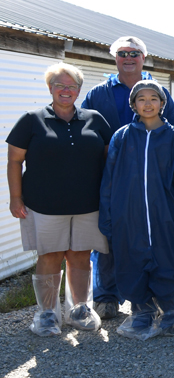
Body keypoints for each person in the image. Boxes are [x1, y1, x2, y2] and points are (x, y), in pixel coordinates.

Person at [7, 63, 112, 336]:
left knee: (80, 256)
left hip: (88, 205)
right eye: (59, 85)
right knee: (50, 256)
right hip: (44, 206)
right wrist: (15, 197)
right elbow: (14, 161)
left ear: (79, 90)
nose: (66, 91)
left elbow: (110, 159)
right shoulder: (31, 119)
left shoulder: (95, 118)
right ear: (50, 88)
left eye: (71, 86)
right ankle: (46, 314)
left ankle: (80, 309)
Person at [82, 36, 174, 320]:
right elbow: (85, 131)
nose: (128, 57)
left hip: (153, 181)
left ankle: (156, 293)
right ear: (114, 58)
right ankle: (106, 296)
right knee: (110, 238)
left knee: (154, 237)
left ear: (143, 58)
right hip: (113, 176)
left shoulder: (159, 90)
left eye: (134, 53)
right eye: (122, 53)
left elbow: (171, 131)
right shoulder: (99, 93)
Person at [99, 81, 174, 340]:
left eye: (154, 98)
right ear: (134, 104)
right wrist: (107, 215)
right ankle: (142, 310)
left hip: (164, 214)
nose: (148, 103)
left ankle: (170, 309)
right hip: (127, 214)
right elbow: (109, 179)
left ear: (163, 103)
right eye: (142, 99)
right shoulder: (123, 136)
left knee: (166, 259)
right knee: (131, 260)